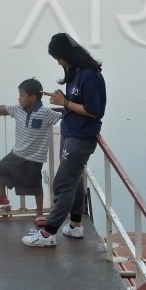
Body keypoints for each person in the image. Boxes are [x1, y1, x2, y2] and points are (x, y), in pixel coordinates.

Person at [22, 33, 106, 247]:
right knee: (75, 180)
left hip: (81, 138)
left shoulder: (89, 75)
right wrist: (63, 98)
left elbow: (93, 111)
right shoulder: (75, 72)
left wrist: (65, 102)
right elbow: (76, 101)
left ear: (68, 54)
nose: (59, 62)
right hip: (70, 131)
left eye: (59, 58)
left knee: (62, 184)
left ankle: (49, 234)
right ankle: (75, 225)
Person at [0, 79, 62, 225]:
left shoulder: (45, 112)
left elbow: (63, 116)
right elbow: (4, 108)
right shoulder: (18, 109)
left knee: (35, 185)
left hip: (35, 157)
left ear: (33, 98)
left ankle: (39, 213)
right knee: (0, 170)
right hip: (17, 152)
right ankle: (2, 195)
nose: (19, 98)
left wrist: (65, 103)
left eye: (22, 95)